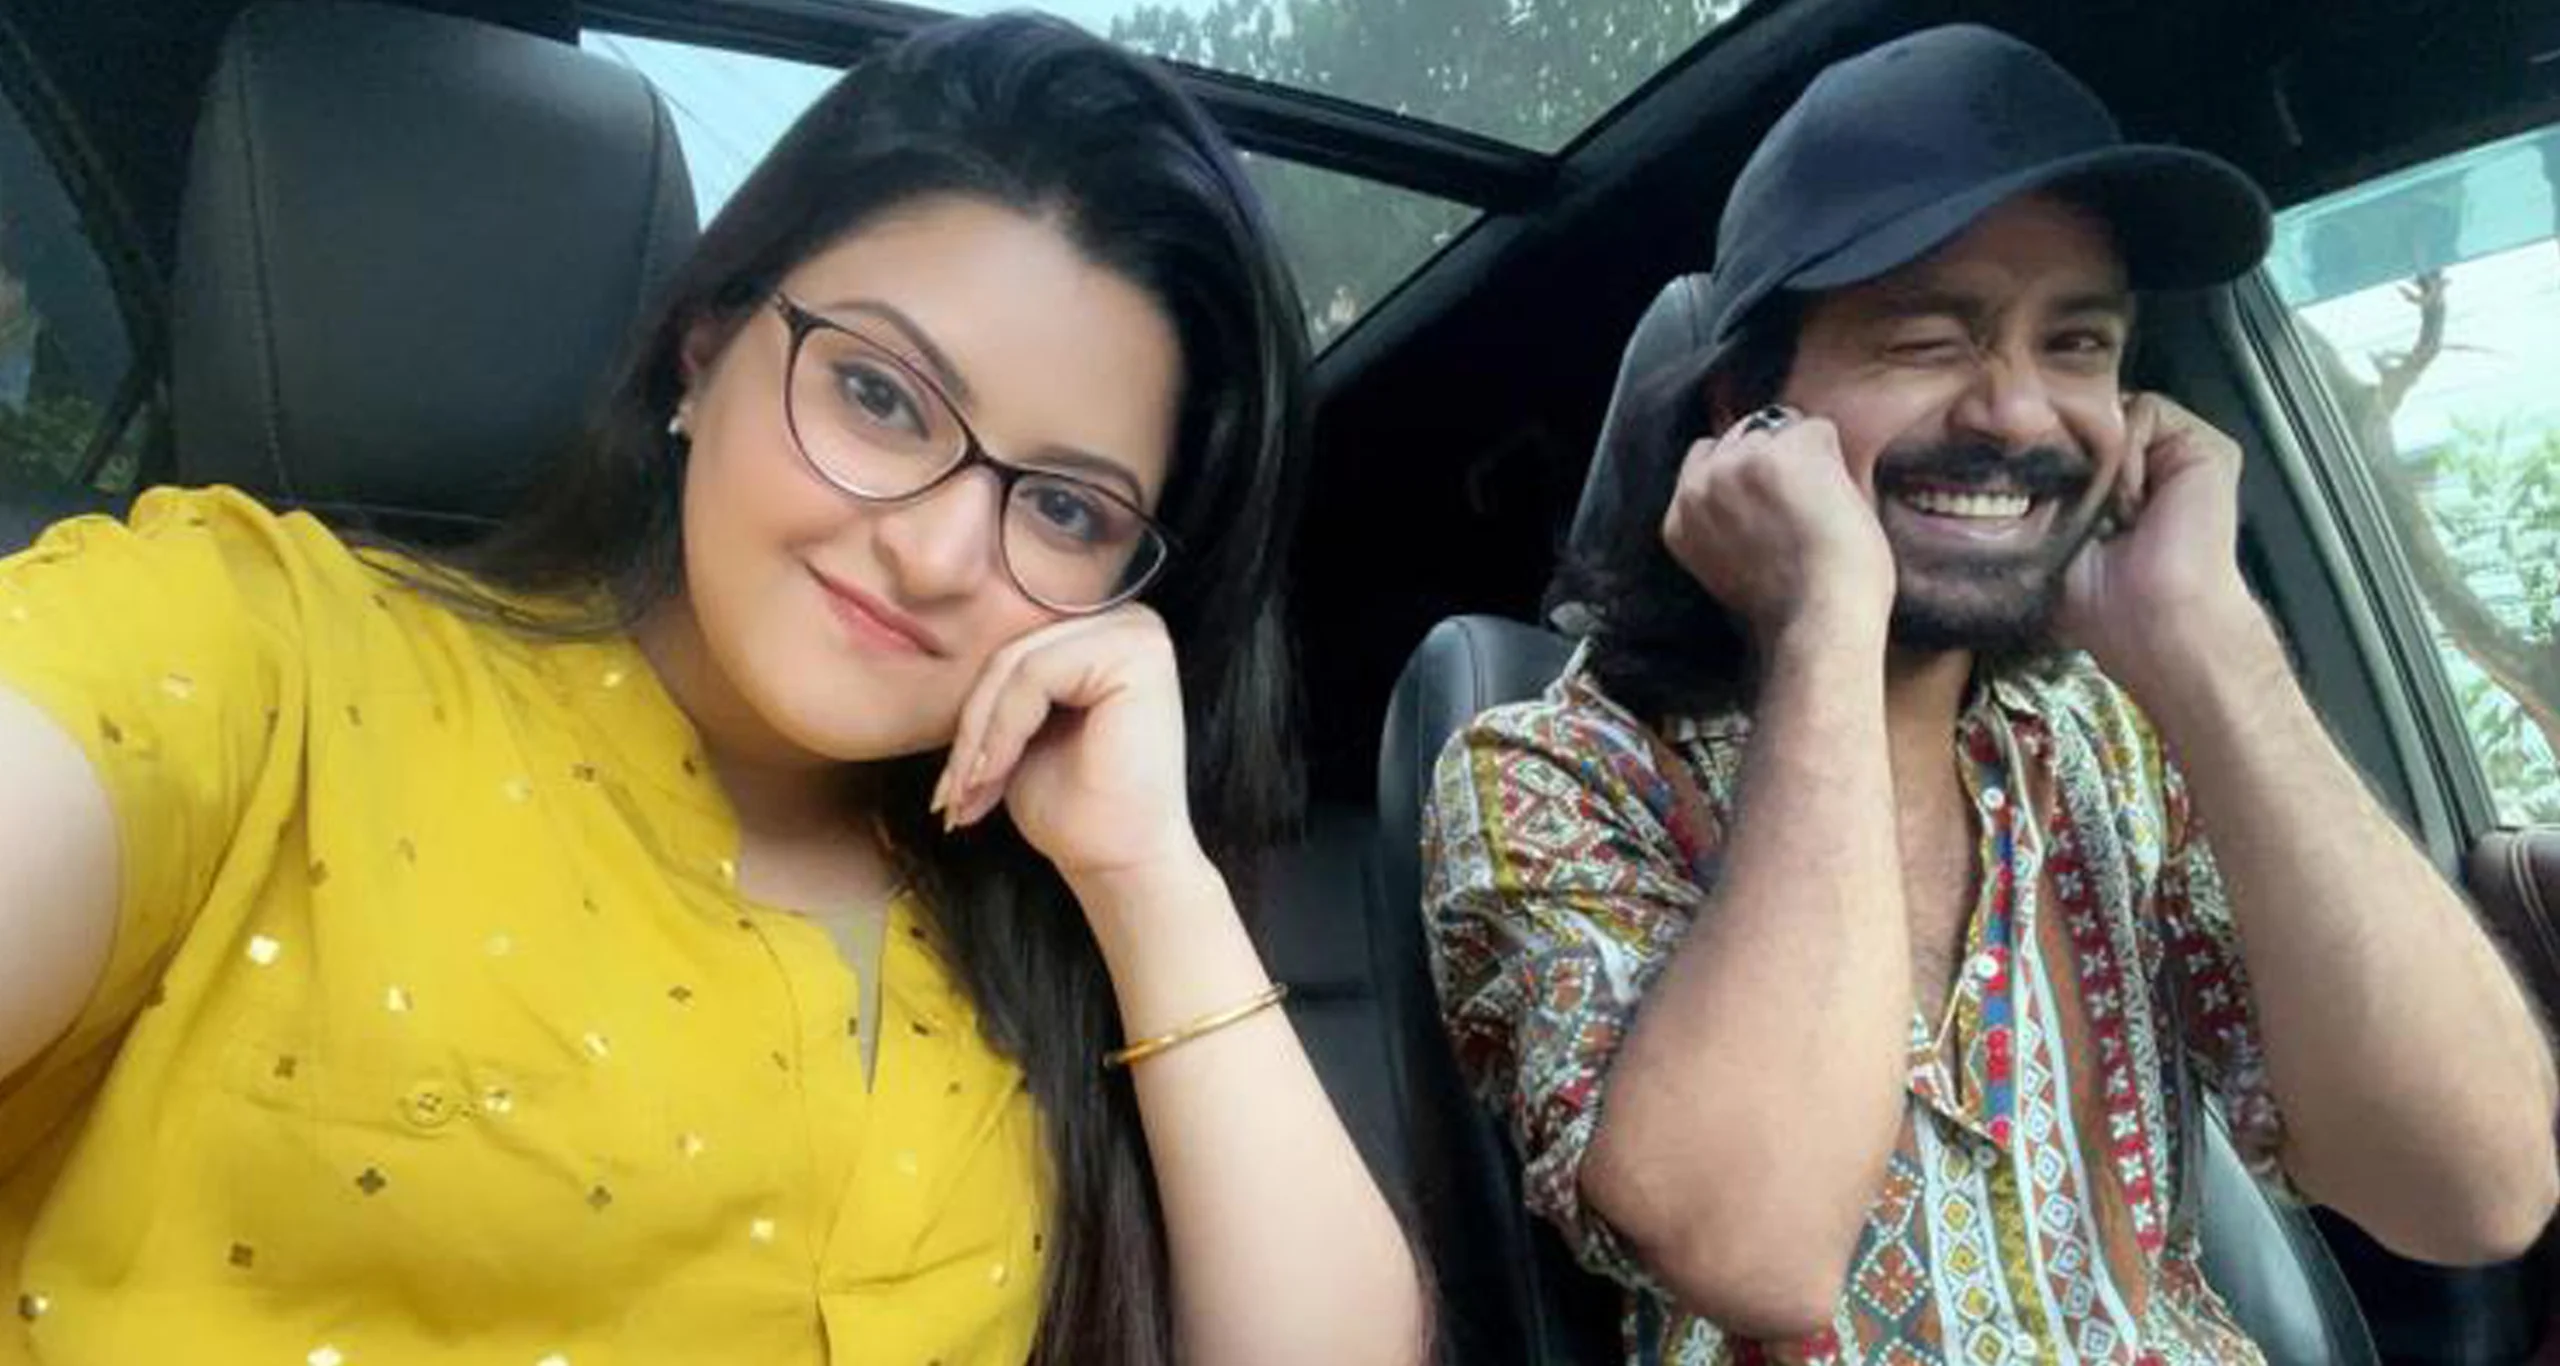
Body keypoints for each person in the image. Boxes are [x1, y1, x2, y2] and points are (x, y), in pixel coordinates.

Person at [0, 17, 1423, 1366]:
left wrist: (1147, 876)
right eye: (880, 395)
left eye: (1062, 508)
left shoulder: (1035, 924)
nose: (935, 554)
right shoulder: (258, 657)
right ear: (705, 345)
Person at [1424, 24, 2555, 1365]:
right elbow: (1752, 1248)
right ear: (1747, 409)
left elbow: (2477, 1189)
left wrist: (2210, 645)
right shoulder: (1547, 773)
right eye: (1925, 337)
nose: (2019, 414)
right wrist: (1824, 624)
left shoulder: (2117, 738)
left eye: (2078, 344)